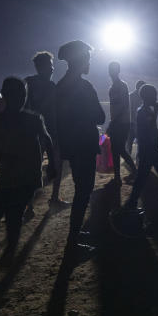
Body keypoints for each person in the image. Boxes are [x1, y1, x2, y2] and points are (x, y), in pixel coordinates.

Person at [0, 77, 55, 256]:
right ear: (6, 95)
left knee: (3, 216)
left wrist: (52, 163)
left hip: (21, 177)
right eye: (19, 94)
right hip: (15, 176)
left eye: (23, 94)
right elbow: (48, 140)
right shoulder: (32, 119)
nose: (22, 98)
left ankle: (3, 251)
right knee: (2, 217)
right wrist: (51, 164)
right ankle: (4, 250)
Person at [55, 40, 104, 255]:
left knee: (80, 190)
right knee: (83, 193)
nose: (90, 62)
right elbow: (100, 116)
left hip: (72, 145)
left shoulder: (61, 85)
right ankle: (72, 243)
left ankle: (75, 235)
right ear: (80, 59)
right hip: (84, 145)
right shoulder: (84, 87)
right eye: (88, 58)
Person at [26, 50, 67, 207]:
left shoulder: (28, 83)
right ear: (40, 67)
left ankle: (30, 204)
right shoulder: (49, 86)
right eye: (50, 65)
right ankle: (53, 198)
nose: (52, 69)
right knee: (53, 165)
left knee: (35, 167)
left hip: (40, 133)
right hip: (46, 133)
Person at [125, 84, 158, 210]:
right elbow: (149, 127)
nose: (156, 98)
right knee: (145, 177)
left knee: (143, 178)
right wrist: (157, 112)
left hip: (149, 149)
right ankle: (133, 203)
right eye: (154, 95)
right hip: (148, 149)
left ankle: (133, 202)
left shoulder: (144, 110)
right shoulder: (143, 111)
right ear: (147, 97)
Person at [106, 61, 137, 183]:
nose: (111, 72)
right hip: (118, 122)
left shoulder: (121, 86)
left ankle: (131, 172)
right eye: (110, 69)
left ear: (118, 71)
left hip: (122, 122)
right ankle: (119, 176)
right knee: (116, 149)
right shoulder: (113, 87)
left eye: (113, 69)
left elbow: (124, 105)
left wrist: (113, 121)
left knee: (118, 149)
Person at [125, 80, 145, 157]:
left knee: (129, 143)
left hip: (131, 123)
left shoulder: (130, 96)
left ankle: (128, 160)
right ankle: (138, 160)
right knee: (140, 143)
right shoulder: (143, 97)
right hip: (137, 123)